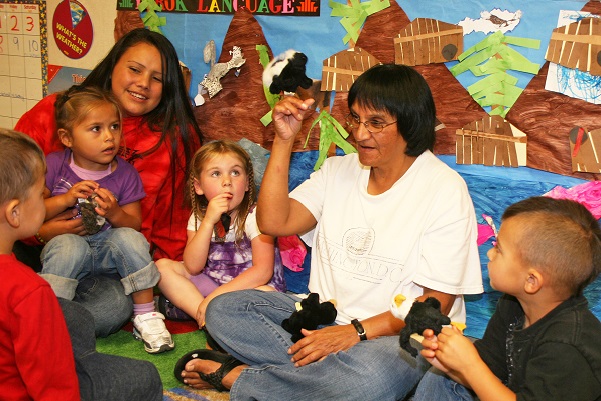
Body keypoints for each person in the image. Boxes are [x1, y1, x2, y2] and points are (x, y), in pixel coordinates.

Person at [175, 64, 483, 400]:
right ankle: (320, 383)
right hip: (320, 321)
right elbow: (273, 223)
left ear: (410, 122)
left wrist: (355, 333)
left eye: (376, 123)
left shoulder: (445, 189)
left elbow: (433, 305)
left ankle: (238, 377)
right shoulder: (337, 170)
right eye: (355, 118)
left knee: (369, 379)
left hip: (395, 336)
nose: (360, 133)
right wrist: (283, 139)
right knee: (224, 310)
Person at [14, 27, 203, 337]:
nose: (143, 83)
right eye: (134, 69)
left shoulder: (176, 137)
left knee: (114, 308)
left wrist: (169, 286)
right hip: (30, 249)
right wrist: (39, 232)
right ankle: (34, 310)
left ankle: (38, 317)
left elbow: (173, 225)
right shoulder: (57, 111)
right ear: (113, 64)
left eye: (157, 78)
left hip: (104, 263)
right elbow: (8, 193)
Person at [413, 196, 601, 401]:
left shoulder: (567, 346)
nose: (490, 254)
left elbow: (480, 373)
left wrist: (469, 364)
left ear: (531, 280)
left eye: (499, 249)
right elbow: (490, 373)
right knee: (439, 380)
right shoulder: (513, 304)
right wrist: (452, 364)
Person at [40, 85, 173, 354]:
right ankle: (49, 319)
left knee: (128, 245)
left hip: (105, 265)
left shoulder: (125, 173)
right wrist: (65, 199)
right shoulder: (53, 164)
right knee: (70, 245)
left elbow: (134, 225)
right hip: (66, 255)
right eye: (96, 129)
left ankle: (146, 315)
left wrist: (114, 213)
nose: (109, 137)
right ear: (67, 138)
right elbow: (35, 212)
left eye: (114, 127)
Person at [156, 140, 286, 329]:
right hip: (214, 283)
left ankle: (210, 313)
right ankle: (207, 319)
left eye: (235, 172)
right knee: (162, 269)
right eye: (216, 174)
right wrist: (208, 222)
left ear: (248, 183)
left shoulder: (256, 216)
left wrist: (216, 297)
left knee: (266, 295)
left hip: (250, 288)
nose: (227, 181)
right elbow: (193, 267)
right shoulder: (199, 217)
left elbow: (262, 272)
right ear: (198, 186)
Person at [0, 128, 79, 400]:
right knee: (142, 378)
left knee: (76, 319)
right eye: (39, 191)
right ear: (14, 212)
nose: (46, 197)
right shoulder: (29, 290)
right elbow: (55, 390)